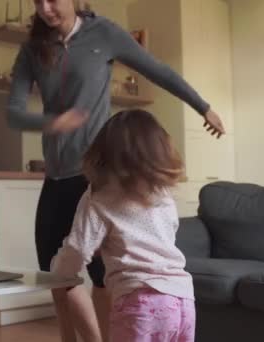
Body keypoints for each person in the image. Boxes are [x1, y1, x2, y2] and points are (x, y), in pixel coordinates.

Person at [6, 0, 224, 340]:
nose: (46, 8)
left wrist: (203, 107)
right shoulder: (33, 49)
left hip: (98, 173)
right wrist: (54, 121)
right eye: (38, 1)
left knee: (101, 272)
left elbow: (158, 71)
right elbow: (14, 113)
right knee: (56, 273)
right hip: (57, 175)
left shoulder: (103, 33)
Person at [51, 109, 196, 342]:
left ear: (101, 153)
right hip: (183, 299)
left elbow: (78, 249)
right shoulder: (163, 192)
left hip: (139, 302)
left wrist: (58, 270)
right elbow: (168, 231)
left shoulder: (98, 196)